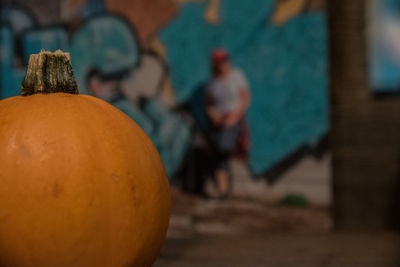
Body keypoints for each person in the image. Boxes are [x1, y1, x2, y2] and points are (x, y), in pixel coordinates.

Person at [205, 49, 251, 199]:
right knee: (219, 155)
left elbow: (244, 98)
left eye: (224, 60)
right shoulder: (212, 82)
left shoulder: (236, 76)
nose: (223, 64)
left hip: (233, 119)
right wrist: (214, 116)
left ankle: (223, 187)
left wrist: (234, 117)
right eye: (219, 61)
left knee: (222, 149)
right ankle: (223, 189)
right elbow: (209, 104)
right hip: (218, 122)